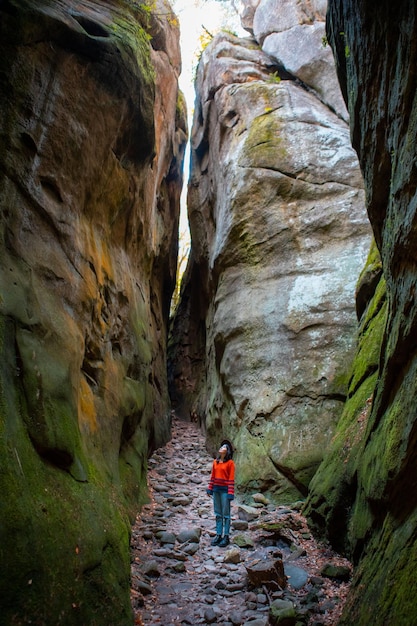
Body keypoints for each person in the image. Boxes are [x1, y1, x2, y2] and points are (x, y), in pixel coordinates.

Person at [206, 439, 235, 547]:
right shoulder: (215, 462)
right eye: (221, 446)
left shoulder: (230, 463)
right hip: (216, 490)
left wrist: (230, 493)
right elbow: (212, 477)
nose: (221, 448)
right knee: (218, 513)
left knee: (226, 514)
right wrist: (210, 489)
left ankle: (226, 536)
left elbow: (231, 479)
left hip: (225, 491)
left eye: (224, 447)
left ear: (227, 451)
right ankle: (218, 534)